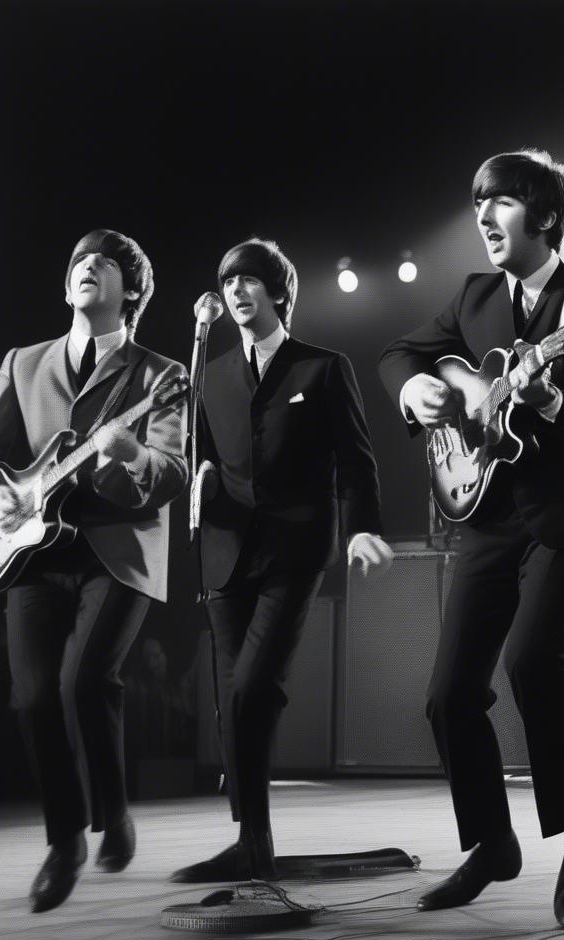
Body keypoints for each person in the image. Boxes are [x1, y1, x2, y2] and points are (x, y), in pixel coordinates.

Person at [378, 149, 564, 929]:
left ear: (546, 216)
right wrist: (416, 386)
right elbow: (399, 354)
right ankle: (492, 842)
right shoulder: (474, 294)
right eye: (478, 201)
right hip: (486, 515)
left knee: (534, 666)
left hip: (562, 519)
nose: (484, 217)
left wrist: (544, 392)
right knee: (448, 696)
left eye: (503, 202)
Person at [171, 238, 391, 883]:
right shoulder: (208, 372)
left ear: (278, 293)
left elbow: (356, 458)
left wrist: (361, 528)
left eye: (250, 281)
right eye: (228, 281)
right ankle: (251, 836)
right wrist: (201, 480)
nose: (238, 291)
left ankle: (253, 838)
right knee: (232, 702)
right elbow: (204, 453)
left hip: (295, 550)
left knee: (252, 686)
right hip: (224, 551)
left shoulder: (321, 368)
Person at [0, 229, 188, 912]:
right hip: (30, 553)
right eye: (78, 261)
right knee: (30, 697)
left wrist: (132, 454)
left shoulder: (161, 374)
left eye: (103, 264)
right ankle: (70, 836)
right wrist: (10, 496)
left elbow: (170, 473)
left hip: (117, 551)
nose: (85, 268)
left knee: (85, 680)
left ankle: (101, 818)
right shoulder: (21, 363)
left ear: (130, 290)